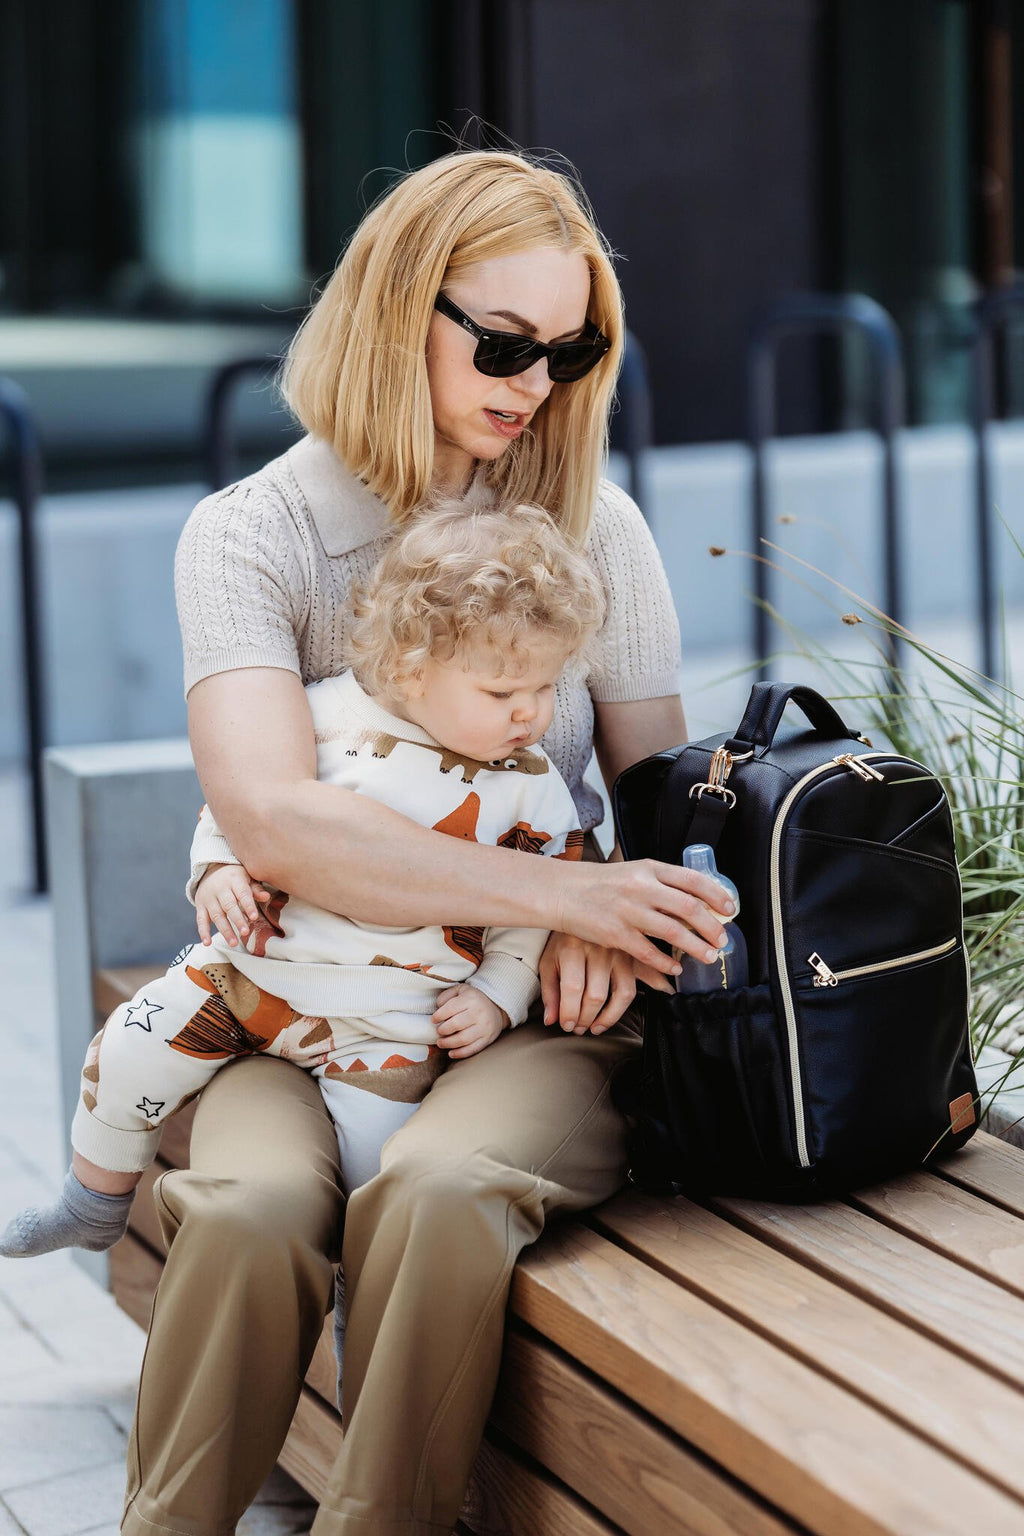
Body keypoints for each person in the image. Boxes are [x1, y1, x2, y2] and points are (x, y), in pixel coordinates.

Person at [92, 147, 729, 1536]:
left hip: (530, 1013)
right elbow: (275, 819)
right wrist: (570, 892)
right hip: (296, 1012)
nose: (535, 381)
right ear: (397, 311)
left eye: (570, 350)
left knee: (444, 1187)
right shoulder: (250, 538)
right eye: (503, 342)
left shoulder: (597, 530)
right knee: (247, 1211)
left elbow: (659, 800)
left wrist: (595, 911)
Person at [0, 502, 605, 1264]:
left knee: (378, 1179)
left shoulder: (530, 787)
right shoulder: (322, 718)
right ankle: (92, 1201)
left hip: (393, 1026)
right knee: (127, 1049)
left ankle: (356, 1301)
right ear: (413, 666)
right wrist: (216, 870)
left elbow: (532, 911)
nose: (531, 715)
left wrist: (496, 995)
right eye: (501, 693)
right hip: (247, 978)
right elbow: (239, 808)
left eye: (546, 688)